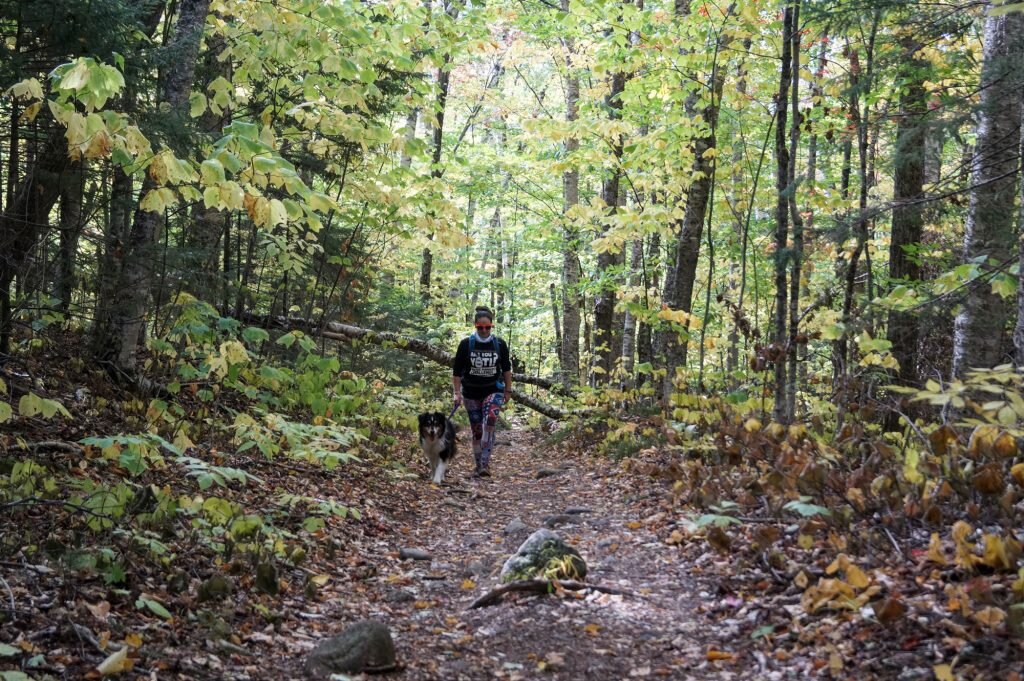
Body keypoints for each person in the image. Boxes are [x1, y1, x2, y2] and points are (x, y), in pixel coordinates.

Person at [452, 306, 512, 477]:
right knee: (477, 430)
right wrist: (456, 393)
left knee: (490, 422)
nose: (484, 330)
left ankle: (485, 464)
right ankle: (478, 464)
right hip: (471, 392)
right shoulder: (465, 344)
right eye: (480, 327)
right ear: (475, 326)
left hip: (494, 390)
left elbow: (506, 369)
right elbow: (456, 372)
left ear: (492, 326)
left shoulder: (499, 344)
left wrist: (508, 390)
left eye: (488, 327)